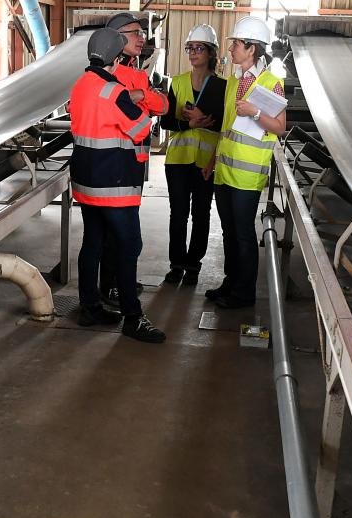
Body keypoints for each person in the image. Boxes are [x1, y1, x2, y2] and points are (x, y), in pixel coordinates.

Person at [69, 28, 166, 343]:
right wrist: (143, 102)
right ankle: (133, 318)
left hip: (85, 183)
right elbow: (140, 129)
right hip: (114, 184)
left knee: (92, 244)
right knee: (128, 247)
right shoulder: (113, 90)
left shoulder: (81, 85)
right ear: (116, 57)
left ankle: (90, 307)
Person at [205, 16, 286, 309]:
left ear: (252, 48)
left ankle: (244, 293)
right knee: (229, 231)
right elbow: (226, 128)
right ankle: (230, 283)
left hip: (247, 174)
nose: (231, 49)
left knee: (242, 234)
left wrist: (254, 112)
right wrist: (213, 161)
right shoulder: (232, 83)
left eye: (236, 44)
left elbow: (278, 127)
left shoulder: (270, 83)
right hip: (225, 170)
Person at [99, 12, 168, 307]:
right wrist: (144, 97)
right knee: (117, 233)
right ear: (115, 38)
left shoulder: (136, 72)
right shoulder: (113, 74)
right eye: (134, 33)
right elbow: (149, 105)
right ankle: (112, 287)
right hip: (116, 162)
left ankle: (120, 280)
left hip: (134, 161)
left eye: (142, 33)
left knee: (121, 231)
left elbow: (161, 105)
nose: (142, 38)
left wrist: (143, 96)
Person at [158, 24, 226, 287]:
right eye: (190, 48)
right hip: (178, 160)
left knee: (201, 213)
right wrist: (191, 124)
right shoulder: (177, 82)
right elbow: (165, 124)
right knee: (178, 213)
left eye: (199, 48)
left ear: (210, 53)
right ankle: (176, 264)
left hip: (205, 162)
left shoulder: (223, 86)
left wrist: (208, 124)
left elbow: (227, 126)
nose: (193, 53)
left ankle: (194, 264)